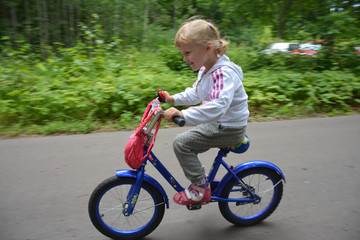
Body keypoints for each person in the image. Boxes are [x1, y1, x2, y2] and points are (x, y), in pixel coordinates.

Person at [162, 17, 249, 205]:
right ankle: (203, 181)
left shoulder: (223, 73)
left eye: (187, 53)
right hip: (219, 122)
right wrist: (173, 99)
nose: (184, 59)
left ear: (208, 48)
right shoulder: (207, 70)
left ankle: (200, 188)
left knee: (181, 144)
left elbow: (218, 106)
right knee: (187, 142)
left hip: (228, 127)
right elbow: (196, 93)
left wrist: (183, 114)